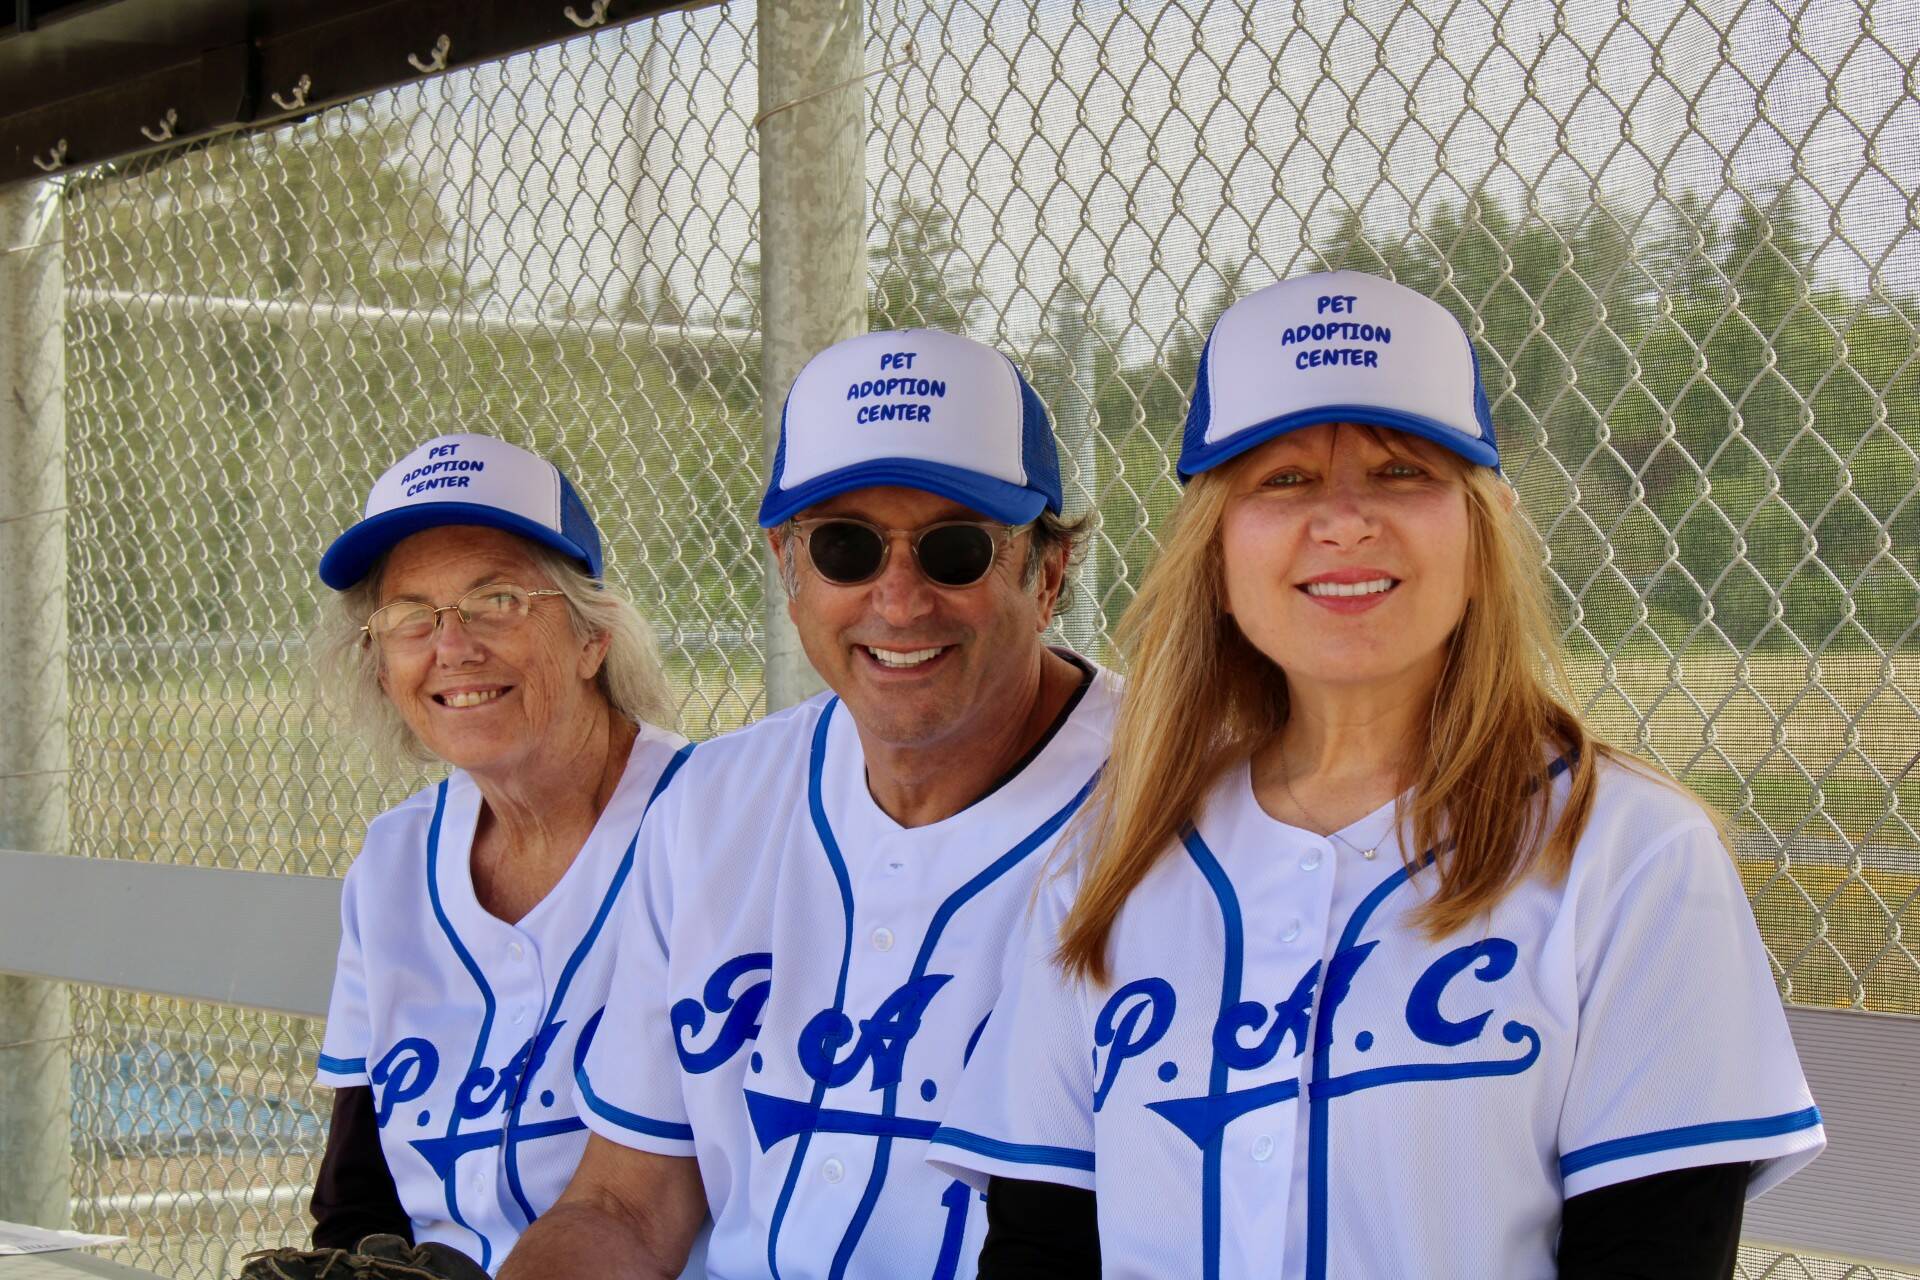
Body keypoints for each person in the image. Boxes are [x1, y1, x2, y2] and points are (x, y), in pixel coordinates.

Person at [929, 271, 1826, 1280]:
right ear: (1217, 551)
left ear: (1483, 529)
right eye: (1285, 479)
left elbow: (1656, 1255)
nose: (1347, 520)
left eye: (1403, 471)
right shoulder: (1112, 853)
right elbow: (1040, 1247)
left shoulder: (1633, 853)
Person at [496, 329, 1118, 1280]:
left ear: (1049, 576)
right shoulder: (711, 804)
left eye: (956, 550)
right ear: (790, 568)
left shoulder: (1175, 806)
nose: (900, 601)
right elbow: (625, 1202)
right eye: (846, 548)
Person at [300, 433, 691, 1274]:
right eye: (411, 616)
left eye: (498, 601)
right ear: (380, 664)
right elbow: (356, 1196)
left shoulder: (712, 823)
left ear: (593, 638)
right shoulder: (394, 861)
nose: (453, 647)